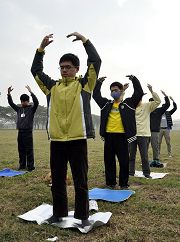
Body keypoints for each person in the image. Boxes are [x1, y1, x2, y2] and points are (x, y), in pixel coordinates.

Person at [31, 32, 101, 226]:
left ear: (76, 69)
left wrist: (85, 41)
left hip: (78, 140)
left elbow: (96, 61)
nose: (64, 70)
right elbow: (35, 70)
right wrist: (41, 49)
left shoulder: (85, 85)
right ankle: (58, 214)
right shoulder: (51, 87)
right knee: (58, 181)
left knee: (81, 181)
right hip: (57, 142)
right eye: (61, 67)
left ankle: (83, 217)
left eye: (68, 67)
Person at [92, 75, 144, 189]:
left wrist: (135, 79)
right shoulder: (106, 104)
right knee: (109, 161)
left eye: (115, 90)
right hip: (109, 137)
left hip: (122, 137)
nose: (113, 93)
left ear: (121, 91)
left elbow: (139, 93)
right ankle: (110, 183)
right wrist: (99, 83)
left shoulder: (129, 104)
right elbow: (95, 95)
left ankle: (124, 184)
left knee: (124, 161)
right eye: (111, 91)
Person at [129, 84, 161, 178]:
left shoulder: (147, 106)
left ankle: (146, 173)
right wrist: (123, 92)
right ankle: (131, 172)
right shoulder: (131, 108)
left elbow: (158, 101)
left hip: (143, 135)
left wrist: (152, 91)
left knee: (144, 156)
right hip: (132, 135)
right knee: (131, 156)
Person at [7, 85, 39, 171]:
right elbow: (11, 103)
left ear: (28, 101)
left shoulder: (32, 109)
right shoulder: (19, 109)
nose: (22, 103)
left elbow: (36, 102)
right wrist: (9, 94)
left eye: (24, 101)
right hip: (20, 132)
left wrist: (31, 92)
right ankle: (22, 166)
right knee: (21, 150)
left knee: (29, 150)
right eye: (21, 101)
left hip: (28, 132)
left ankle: (30, 166)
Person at [149, 91, 170, 167]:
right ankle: (145, 160)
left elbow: (167, 105)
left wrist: (165, 96)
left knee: (155, 146)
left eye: (153, 103)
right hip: (145, 131)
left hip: (154, 131)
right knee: (144, 147)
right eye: (150, 103)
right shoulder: (146, 110)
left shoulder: (159, 110)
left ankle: (156, 160)